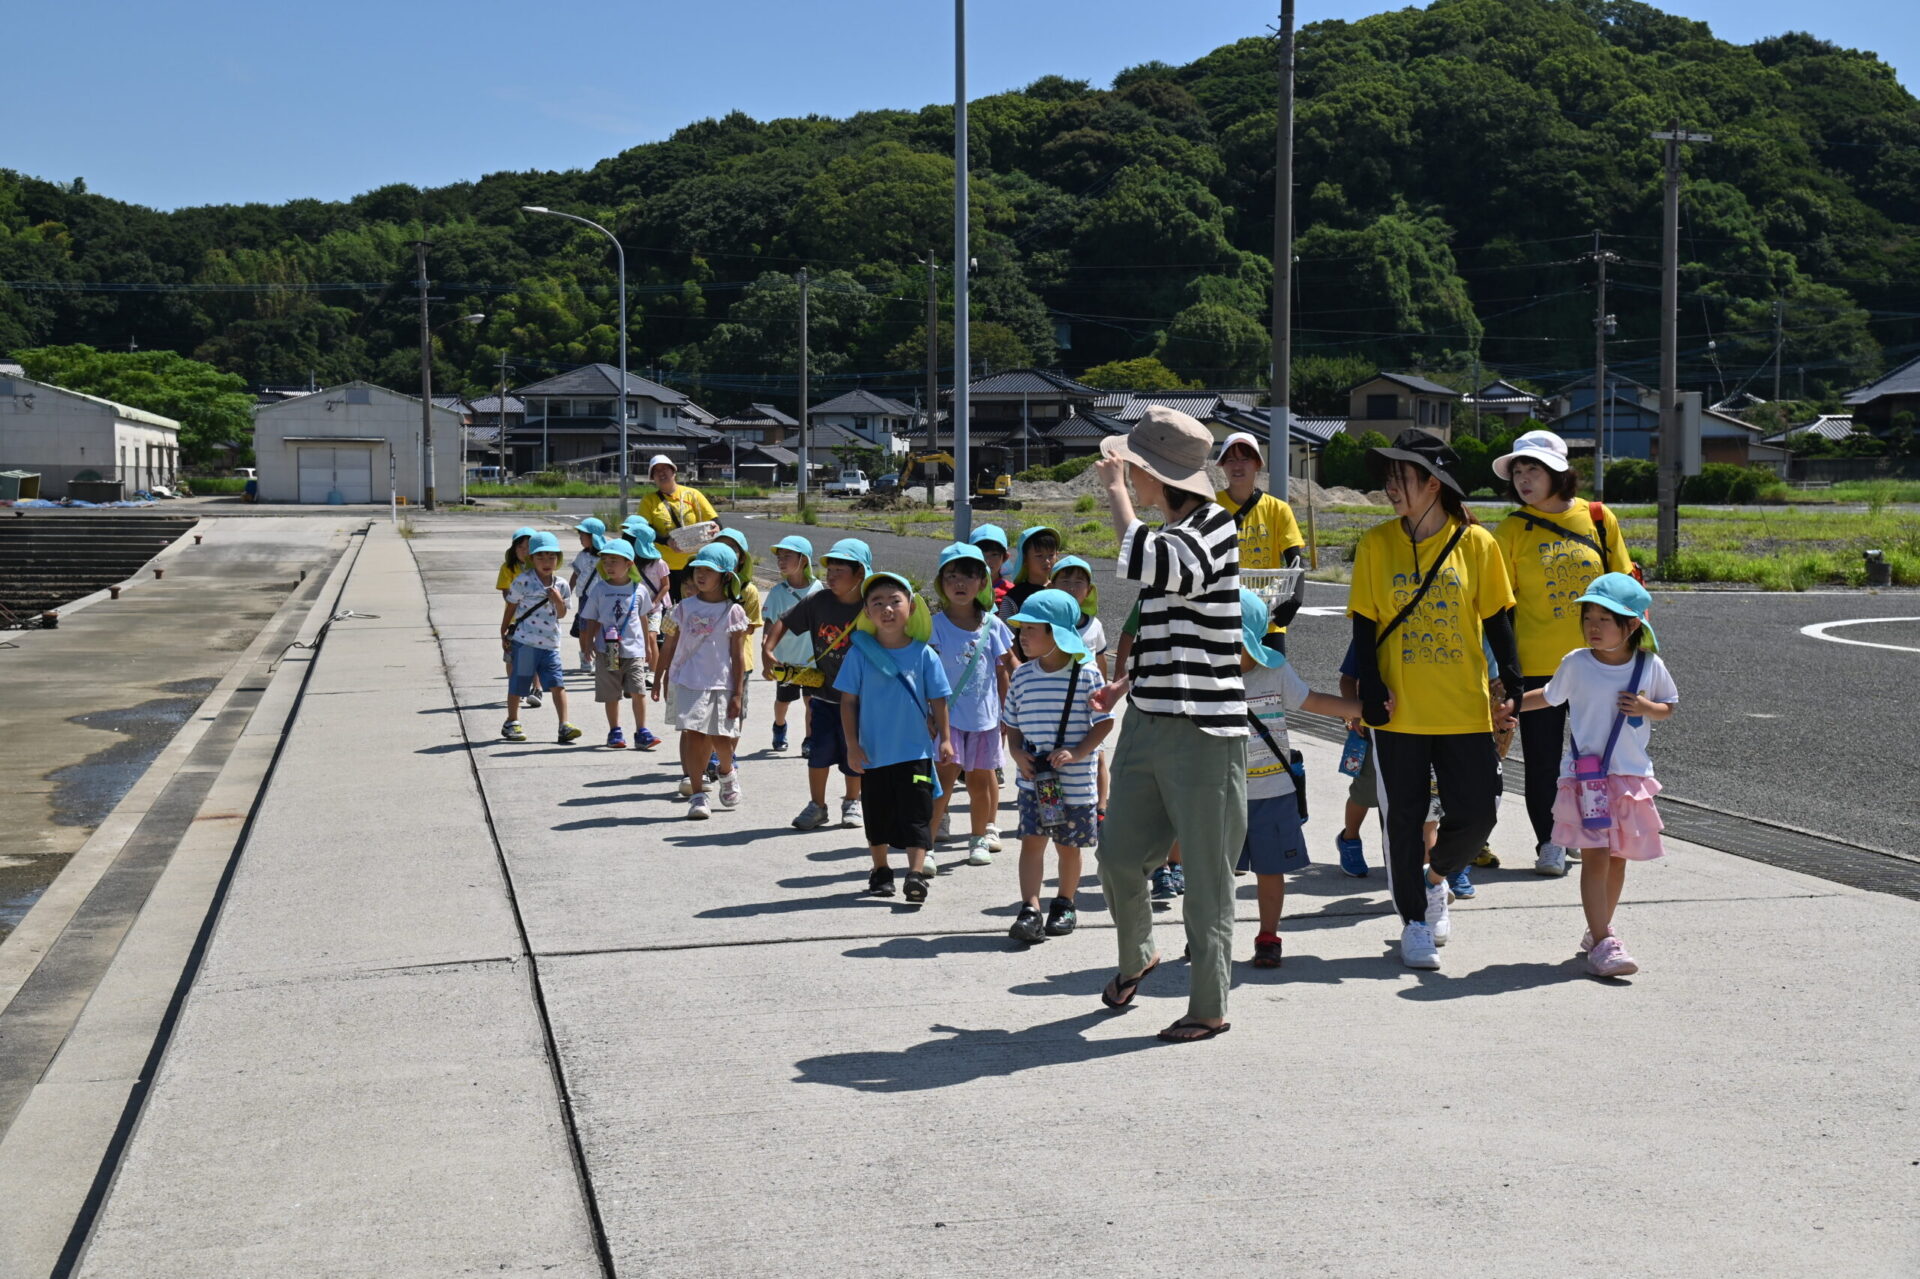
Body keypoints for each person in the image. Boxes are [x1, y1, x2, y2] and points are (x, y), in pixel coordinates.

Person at [1089, 406, 1247, 1044]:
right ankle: (1138, 956)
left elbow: (1162, 566)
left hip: (1205, 734)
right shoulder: (1177, 526)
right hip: (1150, 718)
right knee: (1119, 857)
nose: (1121, 470)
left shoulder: (1213, 528)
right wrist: (1132, 680)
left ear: (1152, 473)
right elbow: (1176, 621)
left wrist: (1117, 496)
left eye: (1131, 464)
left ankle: (1210, 1004)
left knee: (1207, 879)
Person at [1348, 429, 1521, 971]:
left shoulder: (1477, 544)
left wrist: (1512, 677)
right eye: (1389, 477)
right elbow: (1364, 624)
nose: (1390, 487)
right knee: (1403, 819)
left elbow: (1497, 618)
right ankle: (1414, 922)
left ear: (1431, 483)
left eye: (1401, 477)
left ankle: (1436, 880)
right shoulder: (1376, 543)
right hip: (1401, 712)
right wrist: (1371, 687)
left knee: (1476, 814)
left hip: (1463, 707)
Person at [1491, 430, 1636, 877]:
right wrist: (1498, 668)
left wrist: (1631, 652)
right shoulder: (1512, 528)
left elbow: (1624, 588)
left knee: (1599, 754)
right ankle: (1549, 840)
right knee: (1542, 757)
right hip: (1535, 665)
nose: (1524, 479)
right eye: (1517, 471)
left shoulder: (1596, 517)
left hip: (1599, 661)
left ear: (1559, 472)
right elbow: (1499, 604)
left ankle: (1591, 832)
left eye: (1533, 469)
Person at [1520, 573, 1677, 978]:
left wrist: (1646, 707)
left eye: (1605, 619)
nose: (1593, 625)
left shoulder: (1648, 665)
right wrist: (1508, 707)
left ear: (1632, 626)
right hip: (1586, 778)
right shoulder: (1577, 663)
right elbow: (1551, 696)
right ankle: (1604, 939)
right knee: (1595, 858)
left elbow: (1668, 706)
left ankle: (1598, 932)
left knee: (1619, 860)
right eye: (1588, 616)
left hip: (1630, 777)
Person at [1235, 590, 1362, 967]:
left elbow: (1314, 701)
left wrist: (1362, 710)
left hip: (1272, 790)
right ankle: (1209, 932)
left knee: (1270, 870)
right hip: (1221, 792)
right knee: (1215, 871)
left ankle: (1268, 935)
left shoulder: (1274, 669)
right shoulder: (1204, 676)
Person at [1003, 589, 1113, 944]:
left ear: (1055, 633)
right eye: (1020, 629)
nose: (1022, 636)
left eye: (1031, 629)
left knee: (1069, 846)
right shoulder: (1022, 677)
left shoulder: (1087, 675)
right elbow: (1013, 725)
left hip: (1076, 782)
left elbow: (1105, 722)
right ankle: (1030, 908)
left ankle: (1065, 903)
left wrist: (1079, 752)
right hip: (1035, 780)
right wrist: (1017, 754)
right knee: (1032, 842)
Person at [837, 573, 954, 902]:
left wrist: (945, 738)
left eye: (895, 601)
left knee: (918, 815)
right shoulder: (859, 654)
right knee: (877, 816)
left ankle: (915, 875)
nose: (887, 609)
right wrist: (852, 745)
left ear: (912, 606)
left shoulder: (924, 654)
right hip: (873, 756)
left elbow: (939, 699)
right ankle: (881, 870)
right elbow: (848, 702)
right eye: (878, 603)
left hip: (915, 753)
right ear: (867, 612)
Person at [763, 538, 870, 830]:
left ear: (859, 573)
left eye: (839, 570)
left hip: (861, 699)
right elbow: (784, 621)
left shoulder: (871, 604)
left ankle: (852, 801)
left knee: (854, 754)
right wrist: (767, 648)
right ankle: (817, 805)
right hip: (823, 694)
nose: (831, 576)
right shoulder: (819, 601)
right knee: (818, 752)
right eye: (830, 569)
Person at [925, 543, 1014, 866]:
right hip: (947, 723)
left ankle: (978, 839)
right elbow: (923, 674)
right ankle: (929, 847)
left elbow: (1006, 670)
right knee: (941, 787)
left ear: (982, 583)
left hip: (985, 721)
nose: (959, 583)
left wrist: (1008, 714)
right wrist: (927, 716)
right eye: (951, 576)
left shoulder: (993, 625)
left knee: (980, 785)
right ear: (941, 582)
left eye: (968, 576)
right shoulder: (933, 626)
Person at [652, 542, 748, 820]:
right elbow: (668, 646)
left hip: (721, 683)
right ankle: (698, 794)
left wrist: (738, 693)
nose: (700, 575)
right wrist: (658, 678)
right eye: (698, 570)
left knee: (721, 737)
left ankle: (727, 772)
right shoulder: (682, 608)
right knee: (694, 736)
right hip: (688, 681)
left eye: (709, 571)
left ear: (726, 577)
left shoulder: (734, 612)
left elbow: (738, 657)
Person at [1215, 430, 1307, 652]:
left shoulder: (1278, 509)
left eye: (1245, 459)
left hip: (1268, 617)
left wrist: (1296, 599)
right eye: (1230, 459)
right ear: (1222, 466)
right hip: (1223, 615)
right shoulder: (1211, 506)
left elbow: (1295, 560)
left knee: (1271, 684)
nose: (1237, 466)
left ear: (1257, 463)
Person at [576, 538, 661, 750]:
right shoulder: (599, 589)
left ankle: (642, 731)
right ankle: (615, 731)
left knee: (638, 691)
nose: (609, 566)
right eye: (605, 562)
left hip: (633, 651)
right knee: (611, 693)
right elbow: (592, 619)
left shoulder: (638, 590)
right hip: (607, 650)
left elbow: (642, 618)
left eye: (614, 561)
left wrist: (648, 646)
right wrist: (587, 645)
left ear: (629, 564)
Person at [500, 531, 581, 744]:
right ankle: (512, 721)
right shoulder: (523, 581)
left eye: (552, 557)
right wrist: (503, 631)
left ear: (559, 559)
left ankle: (564, 725)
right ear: (531, 559)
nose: (547, 562)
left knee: (557, 684)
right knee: (519, 683)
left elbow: (562, 614)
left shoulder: (561, 584)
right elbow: (512, 606)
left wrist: (557, 600)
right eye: (541, 557)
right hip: (525, 642)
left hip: (551, 644)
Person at [1048, 555, 1111, 828]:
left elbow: (1101, 660)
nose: (1072, 588)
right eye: (1065, 581)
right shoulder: (1046, 624)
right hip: (1055, 702)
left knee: (1096, 755)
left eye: (1078, 583)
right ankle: (1052, 806)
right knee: (1055, 757)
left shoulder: (1094, 625)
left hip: (1087, 702)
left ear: (1089, 590)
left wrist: (1105, 694)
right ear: (1052, 586)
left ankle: (1101, 805)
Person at [764, 535, 825, 754]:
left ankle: (809, 739)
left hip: (811, 660)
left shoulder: (818, 589)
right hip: (785, 659)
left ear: (804, 560)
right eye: (779, 557)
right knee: (784, 700)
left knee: (812, 702)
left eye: (787, 556)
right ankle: (779, 726)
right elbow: (769, 623)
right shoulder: (777, 592)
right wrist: (766, 652)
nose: (781, 561)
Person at [637, 454, 719, 599]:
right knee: (668, 613)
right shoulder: (648, 500)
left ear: (674, 472)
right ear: (652, 477)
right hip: (663, 568)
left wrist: (717, 529)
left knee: (694, 609)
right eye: (656, 471)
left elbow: (715, 521)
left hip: (693, 565)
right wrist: (665, 541)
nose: (661, 473)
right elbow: (644, 530)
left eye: (665, 469)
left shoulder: (692, 495)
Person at [1332, 639, 1376, 878]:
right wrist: (1354, 714)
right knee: (1366, 790)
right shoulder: (1368, 631)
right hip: (1372, 724)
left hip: (1417, 725)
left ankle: (1399, 850)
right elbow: (1347, 678)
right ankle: (1350, 838)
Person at [498, 526, 539, 706]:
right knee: (511, 656)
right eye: (521, 548)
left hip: (536, 620)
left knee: (536, 655)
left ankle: (536, 689)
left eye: (529, 547)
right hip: (515, 620)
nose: (525, 551)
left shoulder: (540, 566)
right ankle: (515, 688)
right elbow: (506, 593)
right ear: (514, 549)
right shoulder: (508, 568)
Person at [997, 525, 1062, 621]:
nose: (1047, 561)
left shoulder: (1062, 589)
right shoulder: (1014, 596)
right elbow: (1006, 634)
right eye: (1039, 555)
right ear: (1025, 558)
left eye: (1051, 555)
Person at [568, 517, 607, 675]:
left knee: (599, 628)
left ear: (593, 537)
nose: (580, 538)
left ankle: (599, 658)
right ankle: (586, 657)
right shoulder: (582, 555)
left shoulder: (606, 556)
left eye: (582, 535)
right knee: (583, 629)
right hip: (584, 597)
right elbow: (576, 574)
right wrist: (568, 590)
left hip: (602, 598)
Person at [969, 524, 1014, 609]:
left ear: (1005, 557)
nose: (987, 561)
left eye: (994, 554)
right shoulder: (963, 588)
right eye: (981, 555)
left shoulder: (1011, 592)